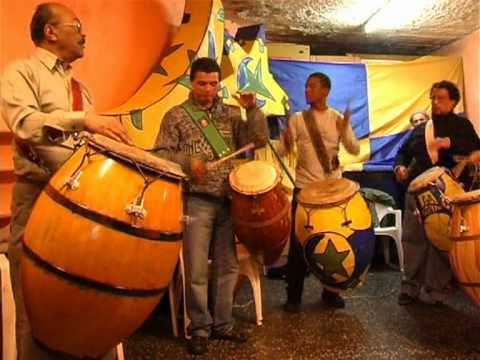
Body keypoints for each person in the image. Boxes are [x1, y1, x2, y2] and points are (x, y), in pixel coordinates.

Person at [0, 3, 130, 359]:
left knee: (83, 309)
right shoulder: (20, 73)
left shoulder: (79, 89)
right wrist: (83, 121)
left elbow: (84, 144)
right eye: (76, 25)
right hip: (38, 200)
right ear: (50, 32)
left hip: (80, 208)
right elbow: (25, 123)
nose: (83, 32)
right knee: (36, 317)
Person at [154, 57, 269, 355]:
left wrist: (252, 110)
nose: (208, 89)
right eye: (202, 83)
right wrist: (187, 163)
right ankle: (199, 329)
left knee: (227, 266)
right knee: (195, 268)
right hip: (196, 199)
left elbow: (257, 142)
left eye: (214, 83)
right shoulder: (176, 116)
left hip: (229, 200)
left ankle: (223, 325)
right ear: (191, 83)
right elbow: (162, 153)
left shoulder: (231, 114)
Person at [278, 72, 360, 313]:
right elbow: (283, 151)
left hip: (333, 190)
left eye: (312, 87)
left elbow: (354, 149)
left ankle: (331, 292)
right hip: (305, 189)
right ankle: (293, 296)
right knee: (297, 244)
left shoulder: (336, 118)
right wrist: (284, 140)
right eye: (305, 87)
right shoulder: (297, 119)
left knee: (334, 241)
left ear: (325, 91)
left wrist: (345, 129)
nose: (307, 91)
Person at [394, 80, 480, 306]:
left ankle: (438, 291)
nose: (435, 102)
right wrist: (400, 167)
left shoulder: (462, 126)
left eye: (441, 98)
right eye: (433, 97)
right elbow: (402, 153)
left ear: (453, 101)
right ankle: (410, 287)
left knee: (440, 241)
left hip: (446, 189)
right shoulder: (422, 129)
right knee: (413, 239)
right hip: (417, 189)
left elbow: (476, 148)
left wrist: (450, 142)